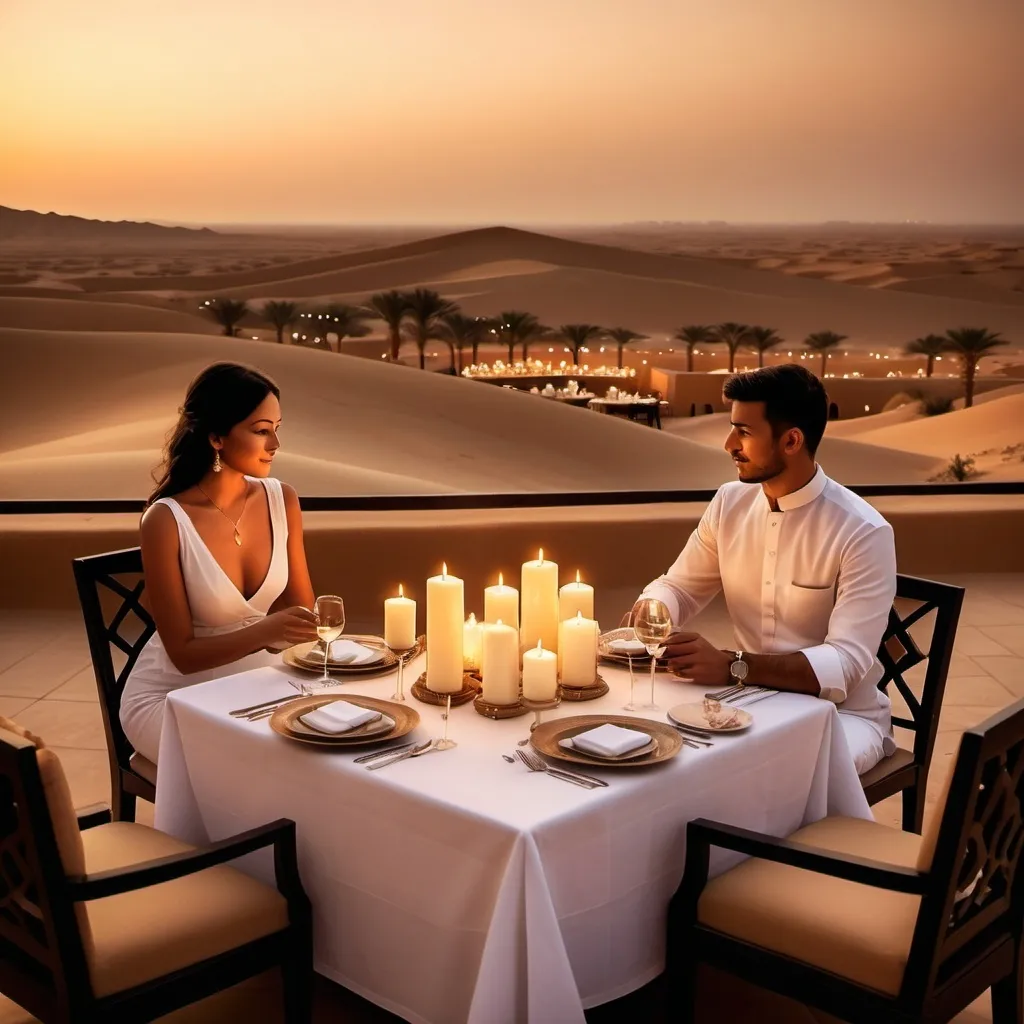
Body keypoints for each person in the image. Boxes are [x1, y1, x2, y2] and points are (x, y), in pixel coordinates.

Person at [634, 364, 896, 775]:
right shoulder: (729, 503)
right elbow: (679, 587)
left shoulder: (864, 532)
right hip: (747, 703)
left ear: (791, 440)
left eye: (744, 431)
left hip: (842, 717)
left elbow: (844, 663)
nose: (728, 444)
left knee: (773, 770)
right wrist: (655, 610)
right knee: (659, 750)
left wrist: (733, 665)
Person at [121, 362, 318, 764]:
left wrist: (295, 631)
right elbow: (184, 655)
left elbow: (304, 619)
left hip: (252, 682)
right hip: (173, 694)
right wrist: (268, 632)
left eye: (278, 428)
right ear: (215, 437)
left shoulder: (284, 500)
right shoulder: (165, 520)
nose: (275, 444)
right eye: (261, 430)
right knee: (254, 759)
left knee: (337, 736)